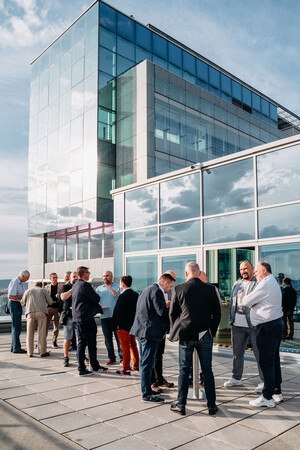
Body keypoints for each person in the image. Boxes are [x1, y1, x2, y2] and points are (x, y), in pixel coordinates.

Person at [169, 262, 221, 416]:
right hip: (205, 333)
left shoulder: (178, 289)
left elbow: (172, 314)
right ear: (198, 273)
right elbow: (217, 313)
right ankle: (211, 406)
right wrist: (211, 330)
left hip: (186, 334)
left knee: (184, 371)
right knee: (207, 371)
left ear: (186, 273)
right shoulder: (210, 289)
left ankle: (181, 405)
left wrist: (176, 329)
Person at [242, 261, 283, 408]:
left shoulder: (265, 283)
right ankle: (276, 391)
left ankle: (267, 397)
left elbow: (246, 301)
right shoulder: (272, 282)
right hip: (274, 324)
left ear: (264, 271)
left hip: (267, 327)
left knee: (266, 362)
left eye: (257, 271)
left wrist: (250, 302)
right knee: (274, 360)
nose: (255, 274)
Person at [131, 273, 175, 403]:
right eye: (170, 286)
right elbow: (161, 312)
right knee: (146, 363)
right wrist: (171, 306)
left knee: (145, 362)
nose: (170, 290)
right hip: (150, 332)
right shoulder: (157, 292)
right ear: (165, 283)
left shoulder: (147, 289)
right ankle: (146, 394)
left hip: (142, 330)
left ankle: (147, 390)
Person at [224, 260, 263, 390]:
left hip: (253, 325)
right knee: (237, 353)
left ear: (252, 269)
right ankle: (236, 377)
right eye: (241, 269)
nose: (243, 271)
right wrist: (231, 318)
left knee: (259, 354)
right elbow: (233, 303)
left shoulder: (258, 284)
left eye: (246, 269)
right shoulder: (237, 283)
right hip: (237, 324)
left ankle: (264, 381)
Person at [72, 266, 108, 376]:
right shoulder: (85, 285)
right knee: (90, 343)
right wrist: (92, 291)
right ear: (83, 274)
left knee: (81, 343)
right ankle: (87, 367)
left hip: (78, 318)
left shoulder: (75, 285)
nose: (89, 274)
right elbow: (96, 298)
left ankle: (86, 366)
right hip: (85, 318)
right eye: (88, 272)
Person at [151, 269, 176, 392]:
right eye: (171, 283)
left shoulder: (171, 292)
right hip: (154, 329)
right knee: (153, 355)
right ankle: (153, 382)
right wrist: (166, 306)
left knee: (159, 355)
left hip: (162, 328)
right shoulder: (154, 291)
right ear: (165, 280)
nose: (172, 286)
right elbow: (158, 311)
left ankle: (159, 379)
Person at [112, 275, 139, 375]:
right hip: (133, 325)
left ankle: (126, 368)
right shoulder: (136, 295)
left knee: (125, 347)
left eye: (120, 283)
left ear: (123, 284)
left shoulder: (122, 296)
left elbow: (119, 313)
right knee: (133, 346)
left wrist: (116, 325)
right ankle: (136, 366)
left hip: (123, 326)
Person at [96, 271, 122, 365]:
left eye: (107, 275)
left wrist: (116, 293)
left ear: (112, 277)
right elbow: (96, 301)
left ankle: (122, 358)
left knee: (119, 339)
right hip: (104, 317)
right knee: (108, 339)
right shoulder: (99, 288)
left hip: (116, 317)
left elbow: (123, 298)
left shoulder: (118, 286)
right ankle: (111, 358)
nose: (105, 277)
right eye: (103, 276)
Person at [21, 282, 53, 357]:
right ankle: (42, 352)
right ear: (41, 286)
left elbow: (22, 303)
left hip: (30, 313)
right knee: (41, 332)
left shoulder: (28, 290)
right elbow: (50, 302)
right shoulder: (43, 290)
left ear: (34, 285)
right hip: (41, 313)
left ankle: (30, 352)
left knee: (29, 333)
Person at [7, 270, 30, 353]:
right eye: (27, 278)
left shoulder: (20, 283)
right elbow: (11, 296)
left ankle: (13, 347)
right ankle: (16, 348)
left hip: (16, 305)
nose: (27, 280)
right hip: (14, 305)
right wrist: (22, 297)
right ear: (23, 276)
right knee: (16, 327)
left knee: (16, 327)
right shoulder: (15, 282)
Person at [60, 271, 78, 367]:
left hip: (79, 315)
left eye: (77, 276)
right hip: (69, 315)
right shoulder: (66, 286)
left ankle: (81, 355)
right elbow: (63, 297)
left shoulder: (81, 286)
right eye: (73, 277)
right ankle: (66, 357)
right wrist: (72, 289)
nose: (75, 278)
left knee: (81, 338)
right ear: (70, 278)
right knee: (67, 338)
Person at [46, 273, 62, 348]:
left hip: (56, 308)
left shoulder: (60, 286)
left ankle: (54, 340)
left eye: (56, 277)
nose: (55, 279)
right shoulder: (47, 287)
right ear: (50, 279)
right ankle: (43, 340)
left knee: (56, 326)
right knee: (45, 325)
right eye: (54, 277)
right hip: (48, 308)